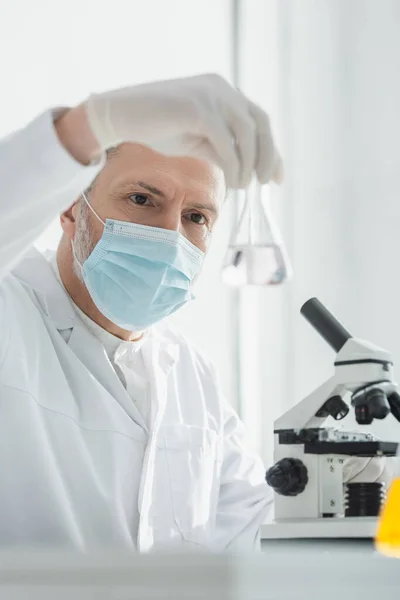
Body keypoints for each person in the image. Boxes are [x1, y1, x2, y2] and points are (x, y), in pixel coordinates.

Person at [0, 74, 388, 552]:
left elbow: (245, 534)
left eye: (196, 217)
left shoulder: (190, 372)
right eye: (142, 199)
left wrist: (332, 492)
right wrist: (86, 127)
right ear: (70, 208)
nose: (170, 235)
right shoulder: (10, 311)